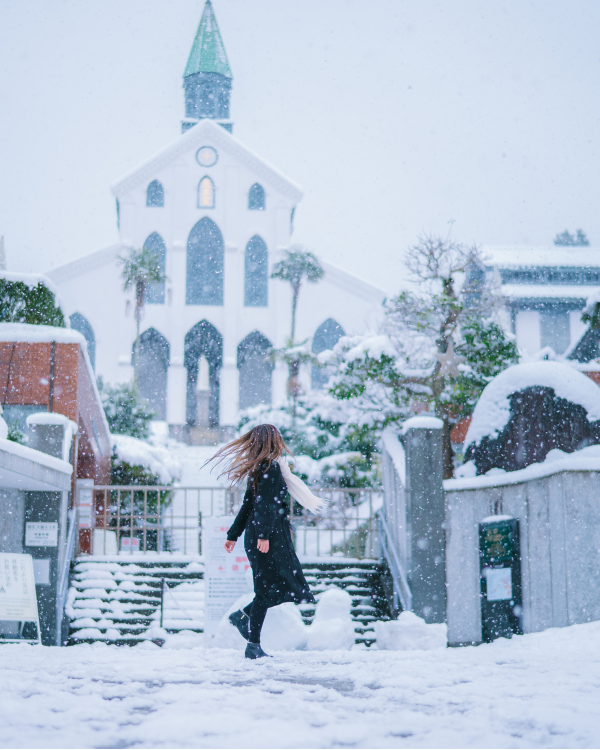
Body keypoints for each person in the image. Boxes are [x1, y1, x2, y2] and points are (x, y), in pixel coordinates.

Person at [211, 424, 325, 659]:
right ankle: (252, 644)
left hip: (265, 536)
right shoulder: (270, 469)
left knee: (279, 586)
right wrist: (262, 535)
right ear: (273, 442)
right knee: (269, 589)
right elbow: (264, 505)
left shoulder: (262, 469)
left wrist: (234, 535)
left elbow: (249, 505)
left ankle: (244, 620)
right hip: (268, 538)